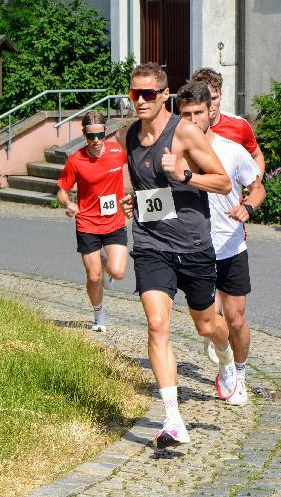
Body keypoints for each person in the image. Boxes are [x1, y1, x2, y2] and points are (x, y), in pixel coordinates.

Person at [117, 63, 235, 448]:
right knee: (156, 324)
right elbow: (130, 171)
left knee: (206, 325)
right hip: (152, 244)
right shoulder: (127, 135)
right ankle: (172, 420)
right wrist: (129, 197)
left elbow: (222, 182)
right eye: (135, 93)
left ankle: (225, 357)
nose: (140, 101)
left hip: (193, 245)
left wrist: (184, 176)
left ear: (164, 95)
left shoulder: (183, 132)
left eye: (148, 94)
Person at [175, 80, 266, 405]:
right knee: (207, 324)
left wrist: (249, 206)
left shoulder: (231, 150)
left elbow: (257, 187)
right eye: (185, 114)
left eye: (198, 112)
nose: (192, 120)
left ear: (209, 112)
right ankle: (223, 352)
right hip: (193, 249)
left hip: (229, 246)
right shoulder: (175, 155)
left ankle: (237, 374)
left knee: (237, 317)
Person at [56, 110, 129, 331]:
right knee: (94, 275)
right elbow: (61, 190)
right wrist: (68, 204)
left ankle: (105, 261)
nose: (96, 141)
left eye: (100, 135)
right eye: (91, 136)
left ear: (106, 132)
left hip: (114, 220)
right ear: (84, 135)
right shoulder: (76, 160)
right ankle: (99, 314)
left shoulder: (118, 152)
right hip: (87, 222)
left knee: (117, 272)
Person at [190, 67, 265, 175]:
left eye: (214, 98)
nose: (210, 104)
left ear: (221, 95)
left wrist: (255, 186)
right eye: (204, 98)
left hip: (229, 191)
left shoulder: (239, 125)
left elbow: (257, 156)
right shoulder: (184, 126)